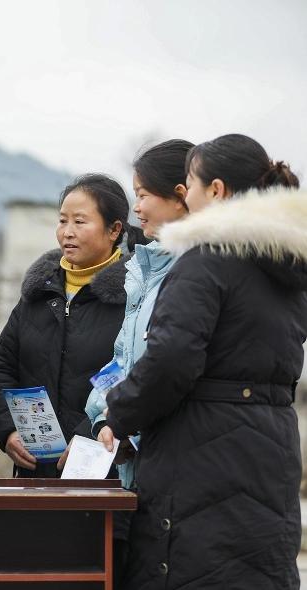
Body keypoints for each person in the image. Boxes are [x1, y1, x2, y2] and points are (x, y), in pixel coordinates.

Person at [104, 134, 304, 589]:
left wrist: (120, 412)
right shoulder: (288, 266)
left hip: (200, 450)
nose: (186, 196)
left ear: (216, 190)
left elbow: (171, 358)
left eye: (190, 184)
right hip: (271, 443)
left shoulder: (206, 259)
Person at [0, 174, 139, 477]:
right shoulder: (39, 292)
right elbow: (1, 365)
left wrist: (88, 435)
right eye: (62, 221)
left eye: (80, 222)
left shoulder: (132, 297)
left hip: (101, 466)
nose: (67, 232)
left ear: (114, 229)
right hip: (34, 466)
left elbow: (131, 375)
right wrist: (9, 429)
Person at [84, 139, 193, 489]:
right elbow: (123, 358)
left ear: (180, 197)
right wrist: (101, 416)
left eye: (143, 195)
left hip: (171, 457)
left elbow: (169, 365)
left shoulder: (195, 273)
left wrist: (123, 422)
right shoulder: (144, 270)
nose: (137, 208)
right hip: (134, 452)